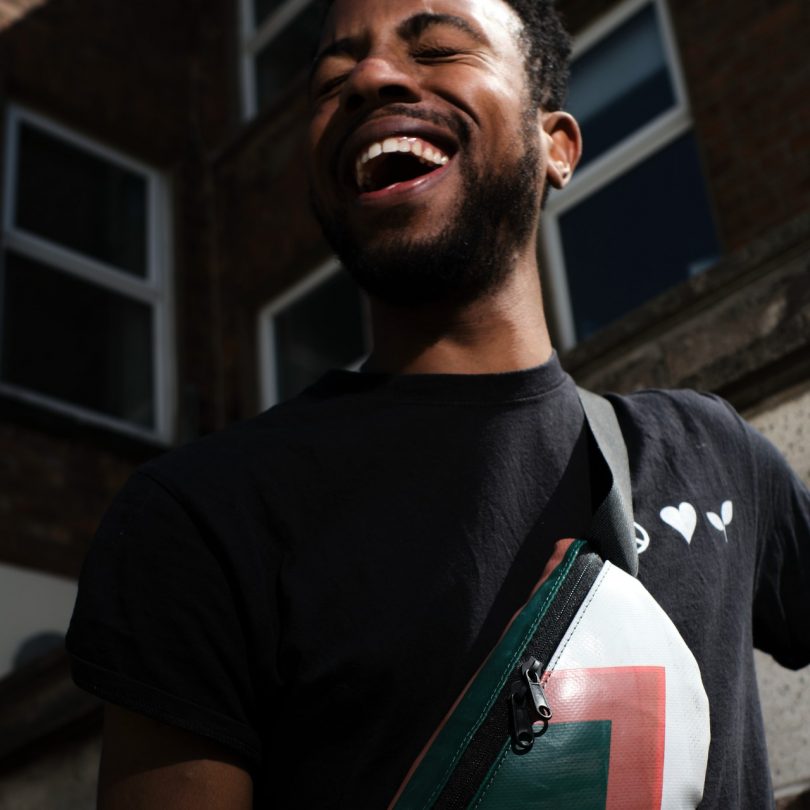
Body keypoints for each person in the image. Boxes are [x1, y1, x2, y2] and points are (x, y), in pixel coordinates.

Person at [66, 0, 810, 807]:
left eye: (438, 48)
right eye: (331, 77)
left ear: (555, 145)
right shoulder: (200, 518)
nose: (371, 79)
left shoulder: (712, 452)